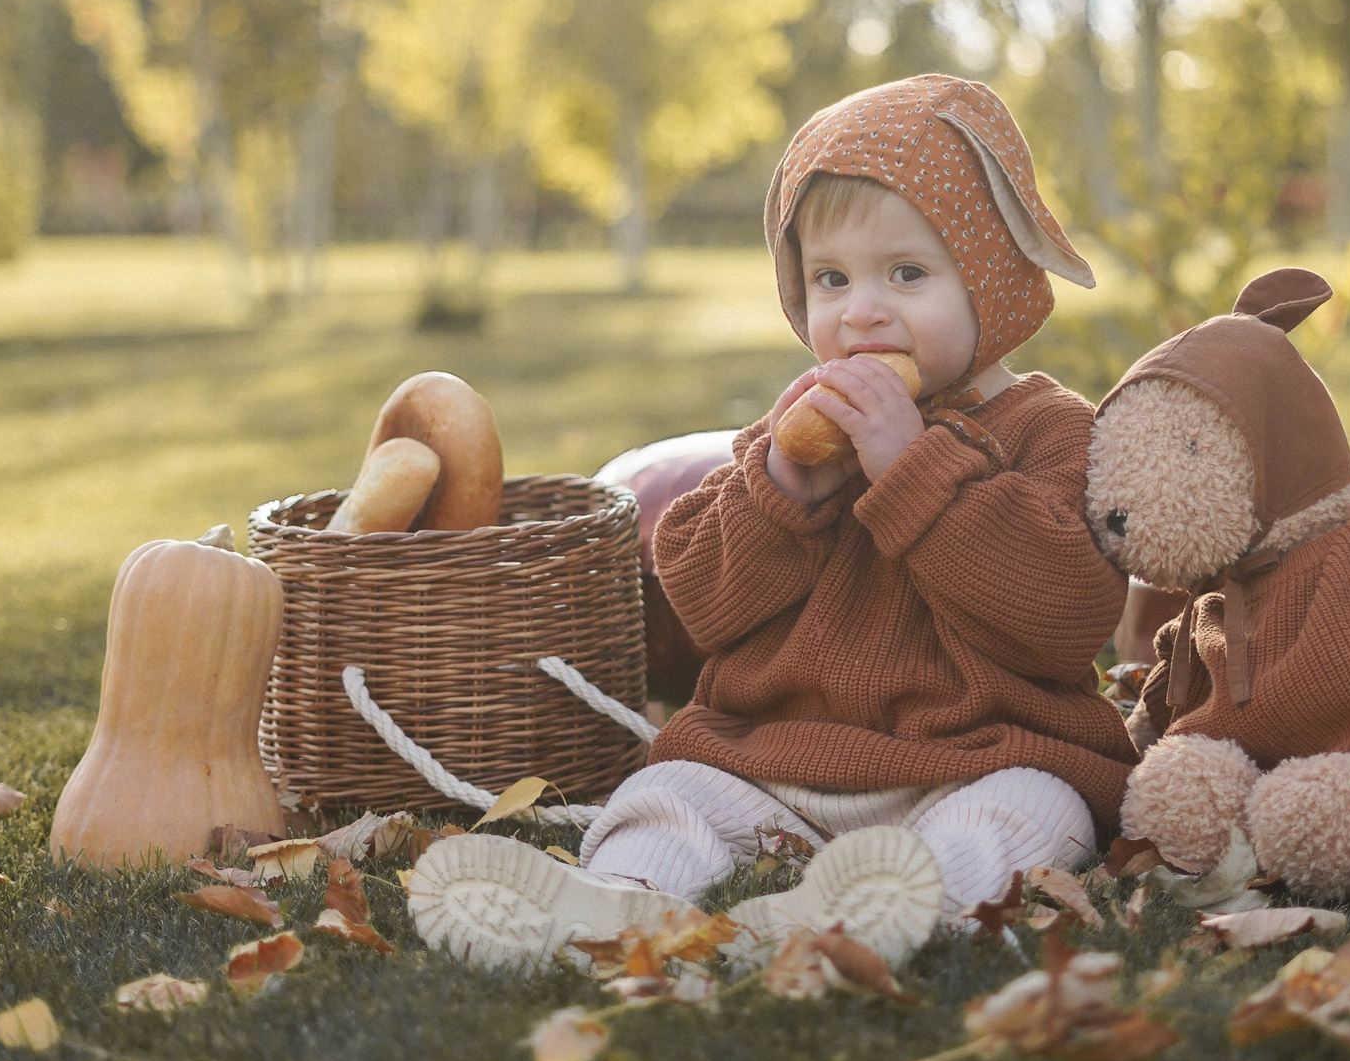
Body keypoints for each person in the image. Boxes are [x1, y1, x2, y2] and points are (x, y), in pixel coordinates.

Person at [407, 75, 1132, 969]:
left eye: (907, 273)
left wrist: (914, 470)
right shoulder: (795, 436)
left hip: (974, 759)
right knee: (674, 791)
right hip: (778, 766)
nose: (861, 310)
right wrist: (781, 492)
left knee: (1035, 810)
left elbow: (1066, 613)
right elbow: (702, 600)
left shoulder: (1053, 431)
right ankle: (618, 901)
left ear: (992, 278)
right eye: (831, 279)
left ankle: (903, 903)